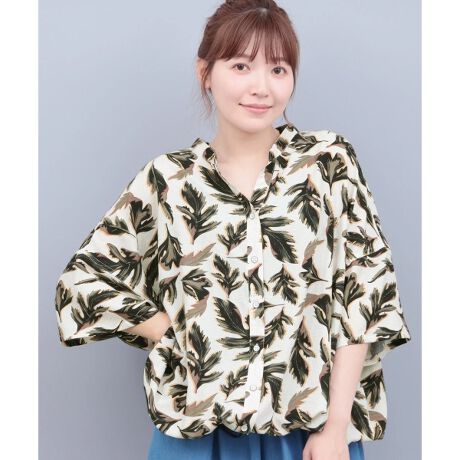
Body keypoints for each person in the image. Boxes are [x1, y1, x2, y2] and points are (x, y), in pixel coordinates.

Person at [54, 1, 412, 459]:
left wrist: (337, 427)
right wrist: (172, 332)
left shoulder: (327, 164)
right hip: (196, 434)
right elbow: (83, 283)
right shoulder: (170, 181)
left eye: (278, 69)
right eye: (241, 66)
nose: (261, 87)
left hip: (308, 433)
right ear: (205, 72)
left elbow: (366, 293)